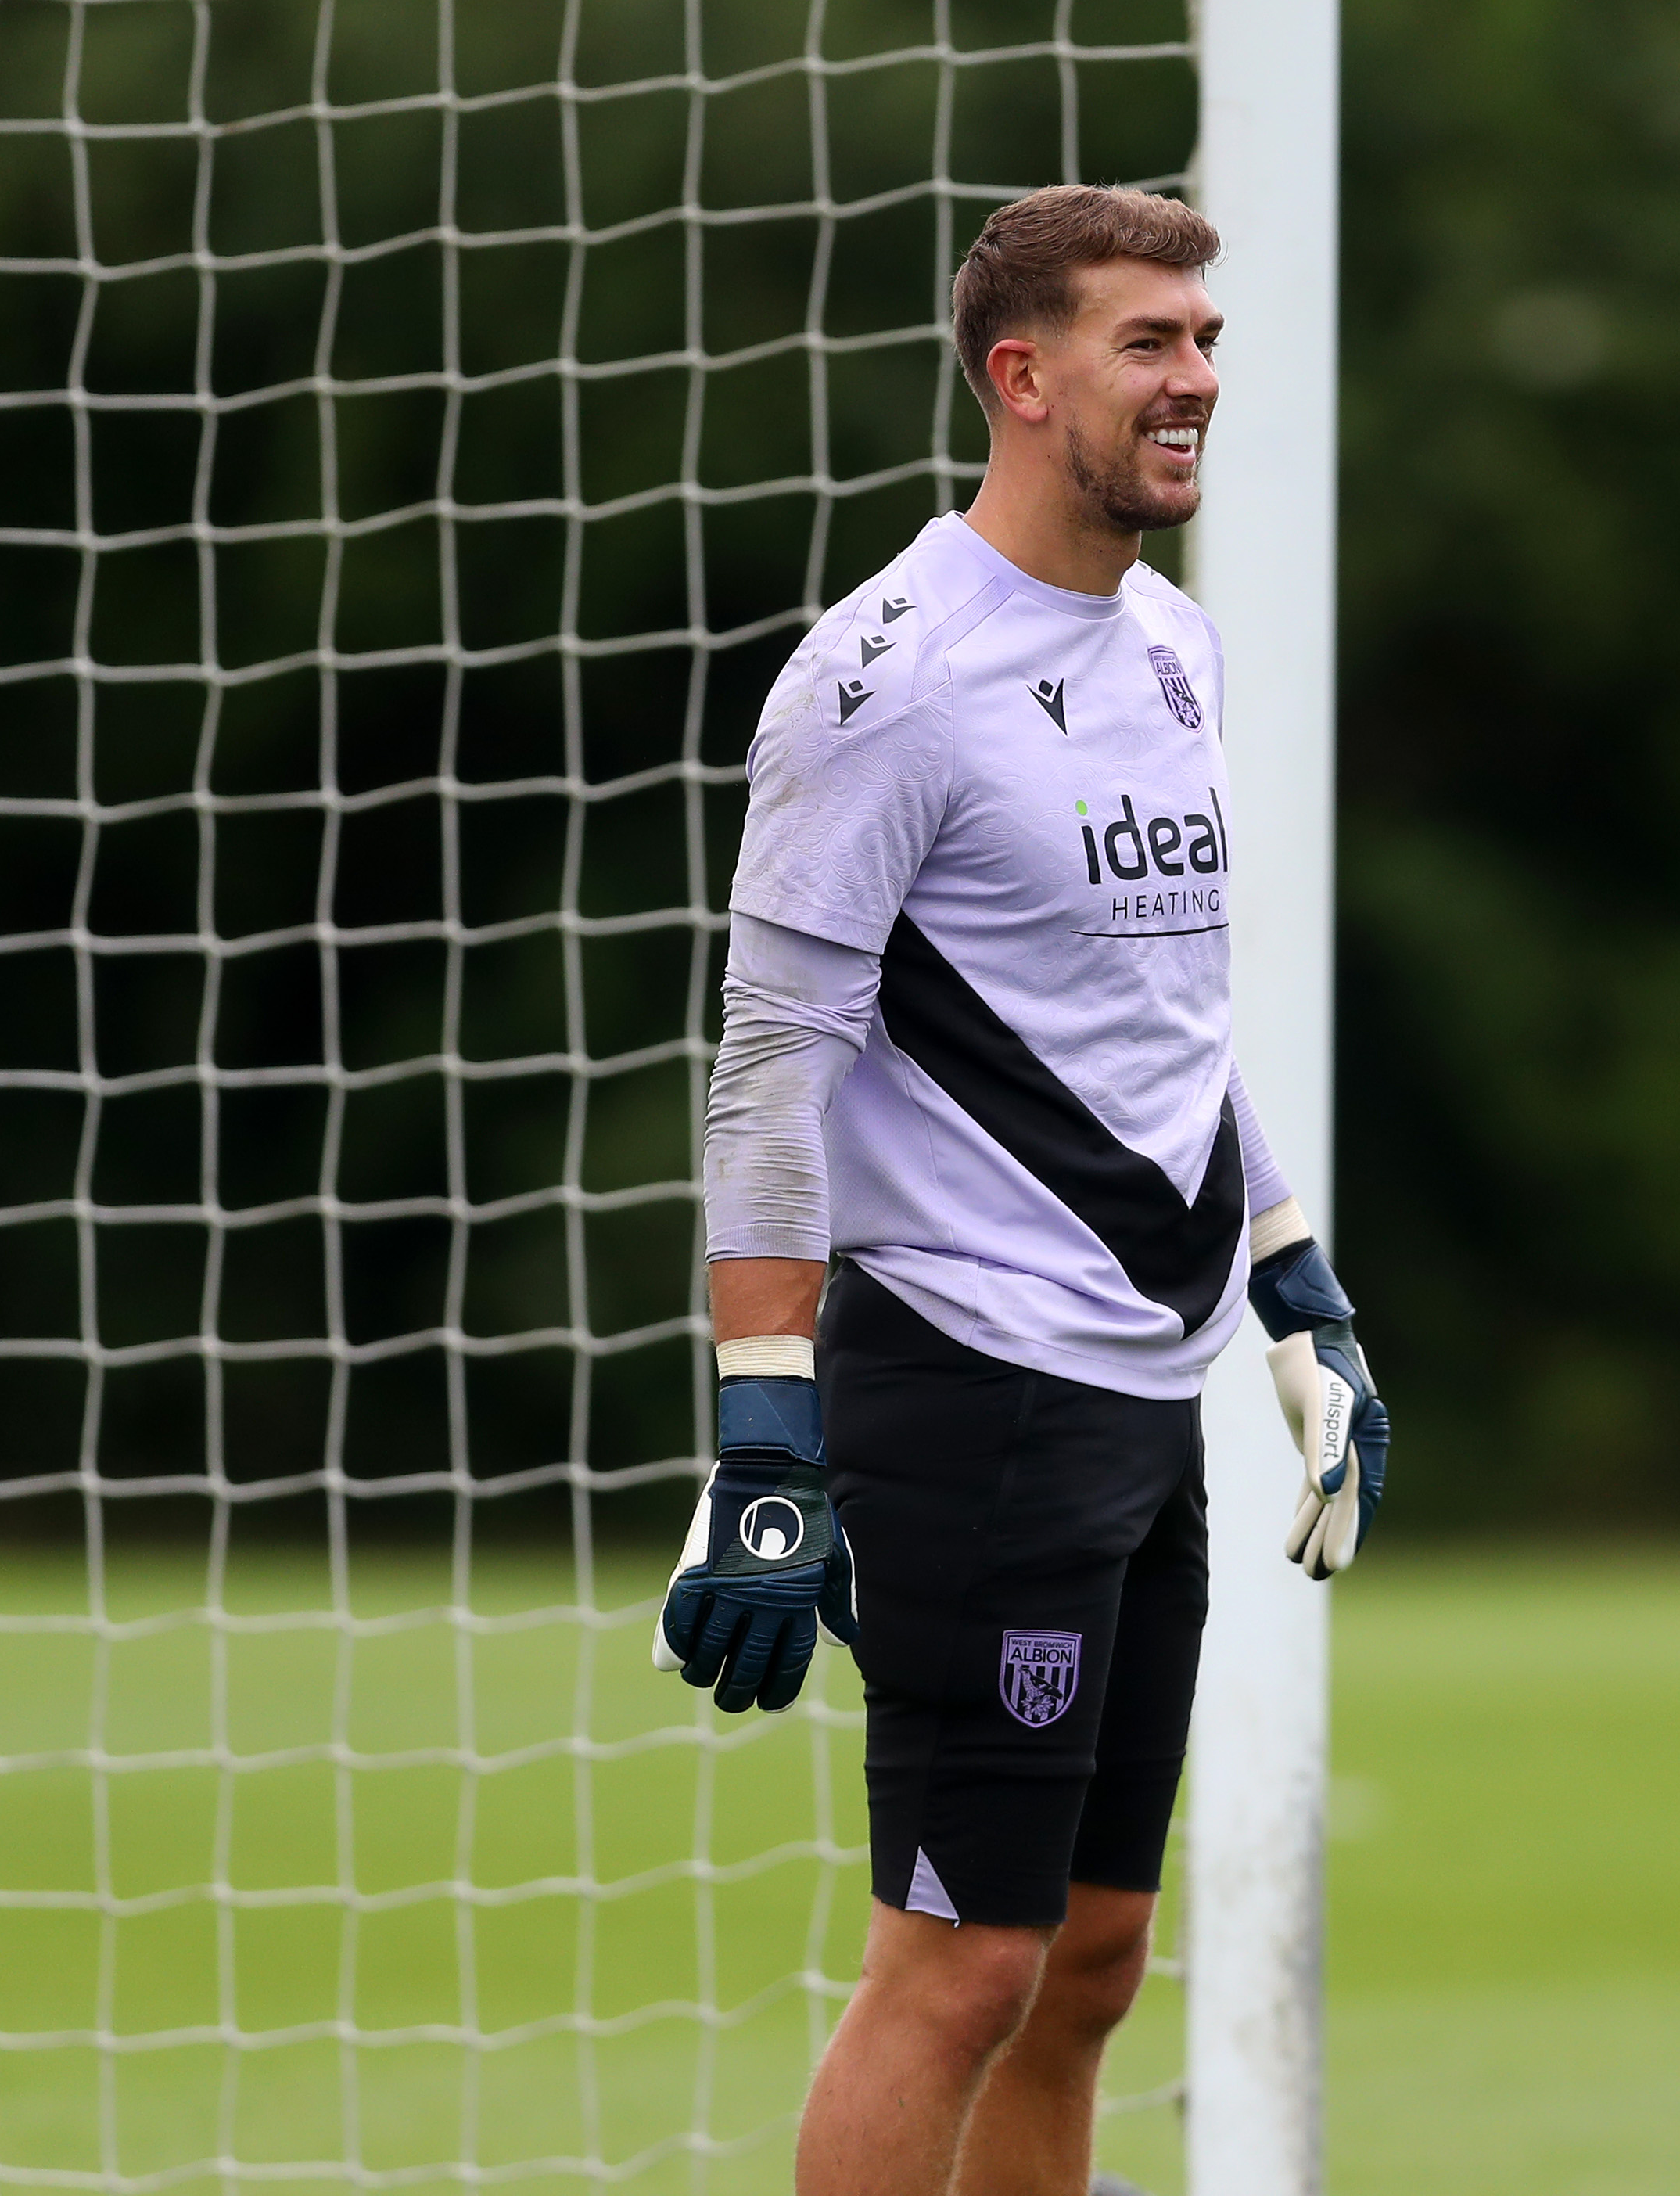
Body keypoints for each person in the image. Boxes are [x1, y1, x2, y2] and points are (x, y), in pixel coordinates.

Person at [650, 183, 1392, 2196]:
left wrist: (1293, 1278)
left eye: (1206, 341)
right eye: (1151, 342)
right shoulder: (881, 681)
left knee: (1087, 1958)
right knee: (960, 1962)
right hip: (971, 1394)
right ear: (1022, 371)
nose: (1198, 381)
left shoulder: (1173, 650)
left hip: (1145, 1405)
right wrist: (767, 1415)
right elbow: (769, 1064)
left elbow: (1164, 1022)